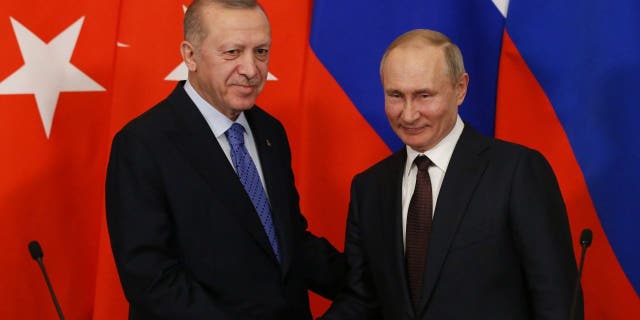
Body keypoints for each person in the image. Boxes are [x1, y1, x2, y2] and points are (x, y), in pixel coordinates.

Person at [320, 29, 582, 320]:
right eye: (396, 95)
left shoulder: (517, 172)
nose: (408, 114)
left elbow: (557, 301)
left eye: (424, 95)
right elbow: (362, 299)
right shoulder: (369, 188)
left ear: (460, 89)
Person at [105, 1, 344, 319]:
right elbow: (151, 279)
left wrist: (376, 287)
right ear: (190, 55)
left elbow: (288, 240)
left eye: (261, 51)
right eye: (232, 52)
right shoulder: (142, 144)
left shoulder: (271, 131)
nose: (251, 69)